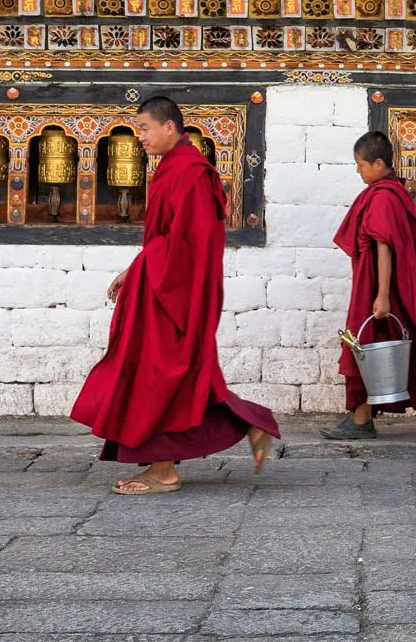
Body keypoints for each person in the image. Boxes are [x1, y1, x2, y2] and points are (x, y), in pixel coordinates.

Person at [71, 96, 280, 495]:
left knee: (159, 376)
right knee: (175, 378)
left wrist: (149, 271)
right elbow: (166, 237)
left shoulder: (192, 173)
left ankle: (164, 470)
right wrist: (135, 269)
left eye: (146, 129)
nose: (141, 137)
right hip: (159, 285)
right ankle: (250, 424)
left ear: (170, 127)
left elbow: (193, 246)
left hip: (176, 295)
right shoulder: (172, 168)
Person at [321, 131, 416, 440]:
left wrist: (382, 296)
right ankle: (361, 419)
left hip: (376, 287)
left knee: (363, 346)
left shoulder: (384, 197)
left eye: (360, 165)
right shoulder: (388, 192)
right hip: (374, 284)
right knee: (373, 347)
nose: (358, 171)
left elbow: (384, 247)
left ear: (378, 163)